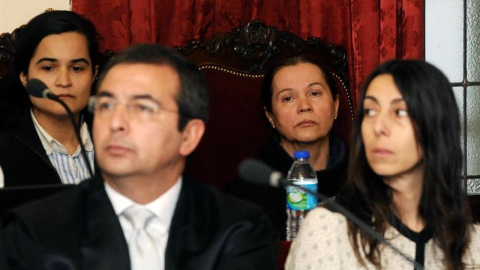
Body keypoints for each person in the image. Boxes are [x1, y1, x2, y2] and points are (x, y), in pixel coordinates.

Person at [3, 44, 279, 270]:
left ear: (189, 136)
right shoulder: (35, 229)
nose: (116, 123)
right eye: (107, 105)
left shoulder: (237, 228)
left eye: (142, 108)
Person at [285, 60, 480, 269]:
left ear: (436, 127)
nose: (378, 126)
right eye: (370, 111)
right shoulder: (327, 231)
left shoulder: (474, 244)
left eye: (399, 112)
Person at [227, 55, 348, 240]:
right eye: (288, 98)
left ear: (336, 105)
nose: (304, 106)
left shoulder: (367, 179)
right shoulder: (246, 194)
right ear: (270, 116)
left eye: (314, 93)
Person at [0, 10, 99, 187]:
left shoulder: (122, 141)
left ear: (93, 74)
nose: (64, 81)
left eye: (77, 68)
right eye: (48, 68)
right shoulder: (5, 152)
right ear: (25, 76)